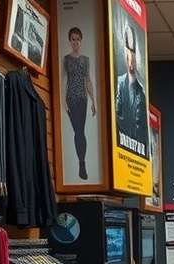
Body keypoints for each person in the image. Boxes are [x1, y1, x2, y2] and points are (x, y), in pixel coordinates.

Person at [63, 27, 97, 180]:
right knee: (77, 131)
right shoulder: (66, 59)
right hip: (70, 98)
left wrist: (94, 101)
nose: (75, 42)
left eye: (78, 39)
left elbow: (88, 80)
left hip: (82, 99)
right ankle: (81, 162)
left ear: (81, 41)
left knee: (80, 131)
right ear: (70, 41)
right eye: (73, 39)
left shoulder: (85, 60)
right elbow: (63, 80)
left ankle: (82, 163)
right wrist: (63, 100)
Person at [115, 23, 148, 154]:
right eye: (128, 50)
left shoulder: (141, 92)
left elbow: (143, 132)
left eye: (133, 52)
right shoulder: (119, 84)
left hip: (136, 154)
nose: (131, 57)